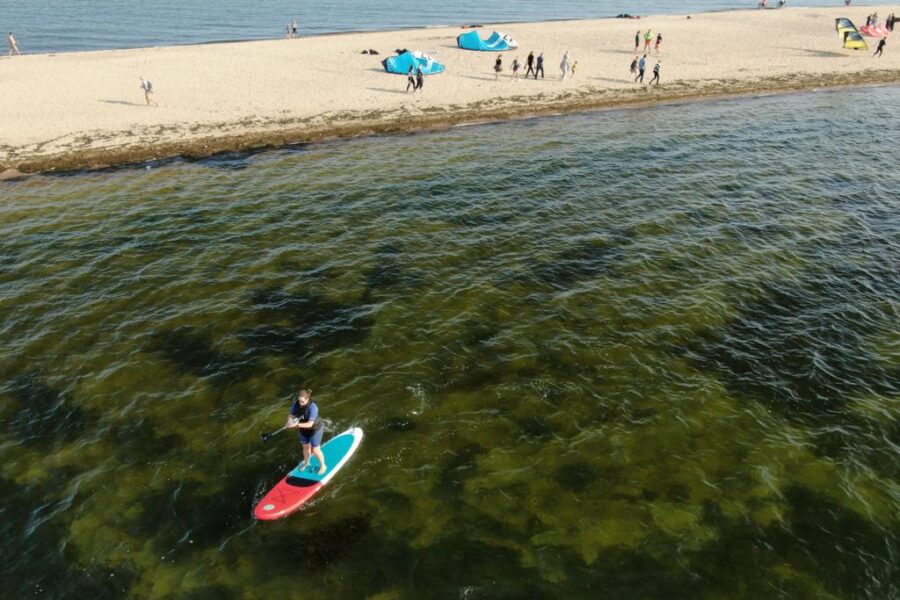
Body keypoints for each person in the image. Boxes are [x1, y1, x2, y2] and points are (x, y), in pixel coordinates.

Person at [285, 389, 327, 474]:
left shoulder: (313, 407)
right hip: (303, 430)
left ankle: (323, 465)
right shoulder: (296, 404)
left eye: (302, 402)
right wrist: (289, 421)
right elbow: (291, 415)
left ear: (308, 399)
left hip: (315, 429)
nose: (300, 403)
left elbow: (310, 424)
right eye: (299, 401)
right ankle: (307, 463)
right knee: (305, 447)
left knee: (315, 450)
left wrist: (295, 425)